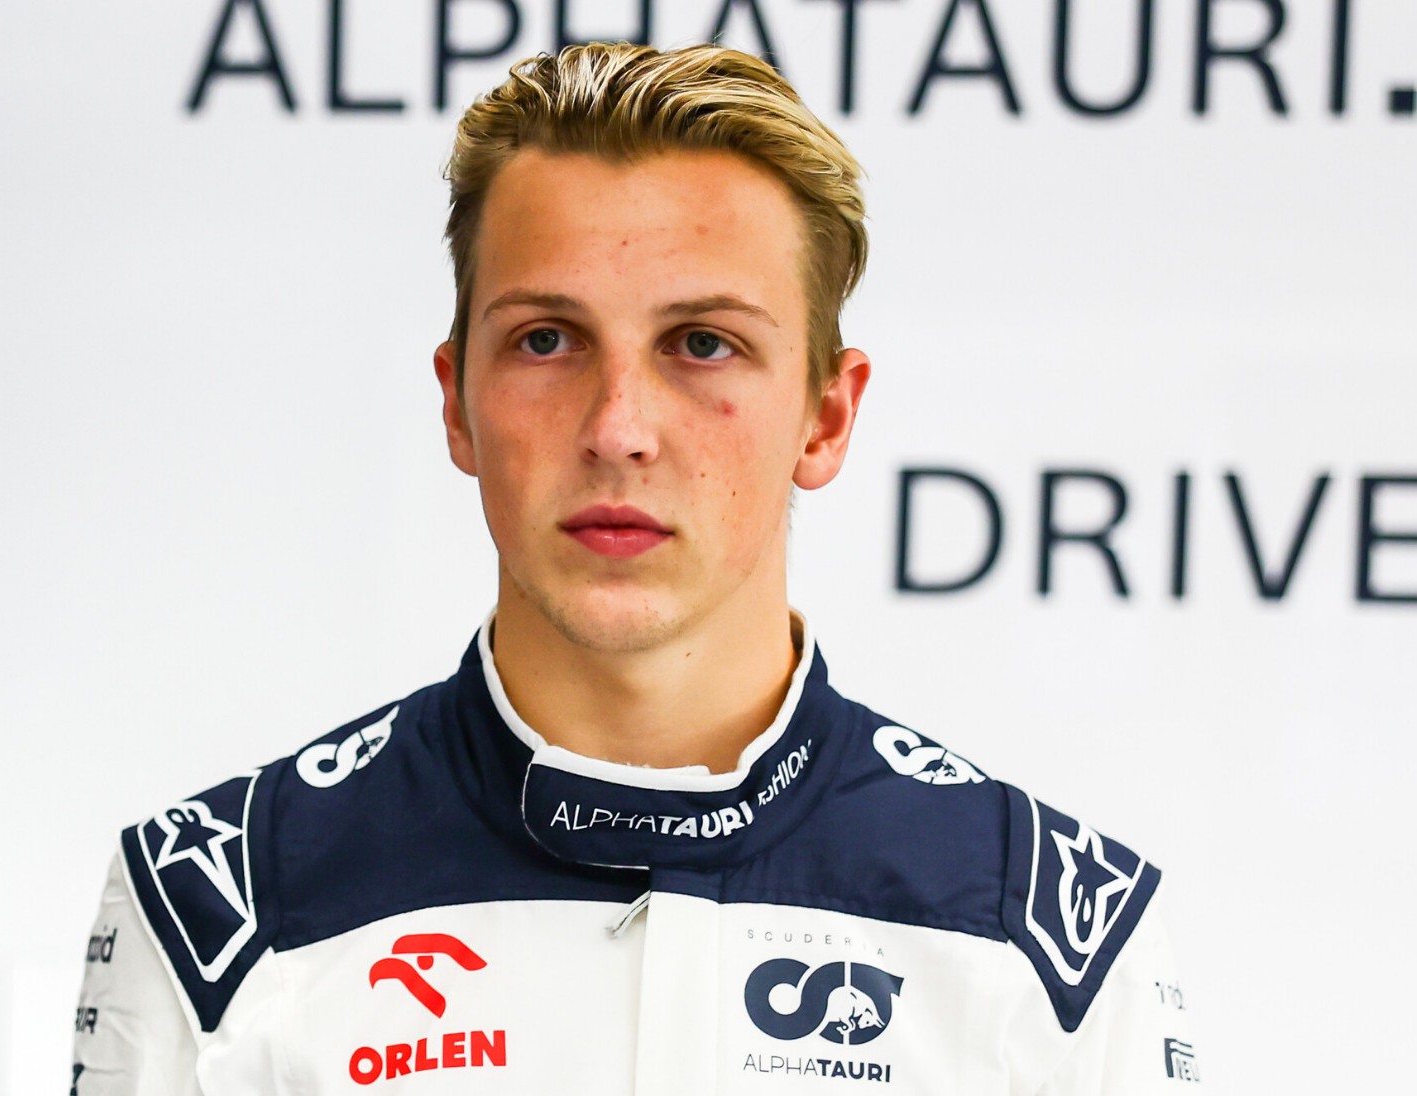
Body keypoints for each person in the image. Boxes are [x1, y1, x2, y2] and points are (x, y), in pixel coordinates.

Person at [72, 42, 1199, 1094]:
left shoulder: (1051, 948)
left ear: (824, 416)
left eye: (703, 343)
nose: (618, 428)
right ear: (456, 401)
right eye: (547, 340)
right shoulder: (223, 913)